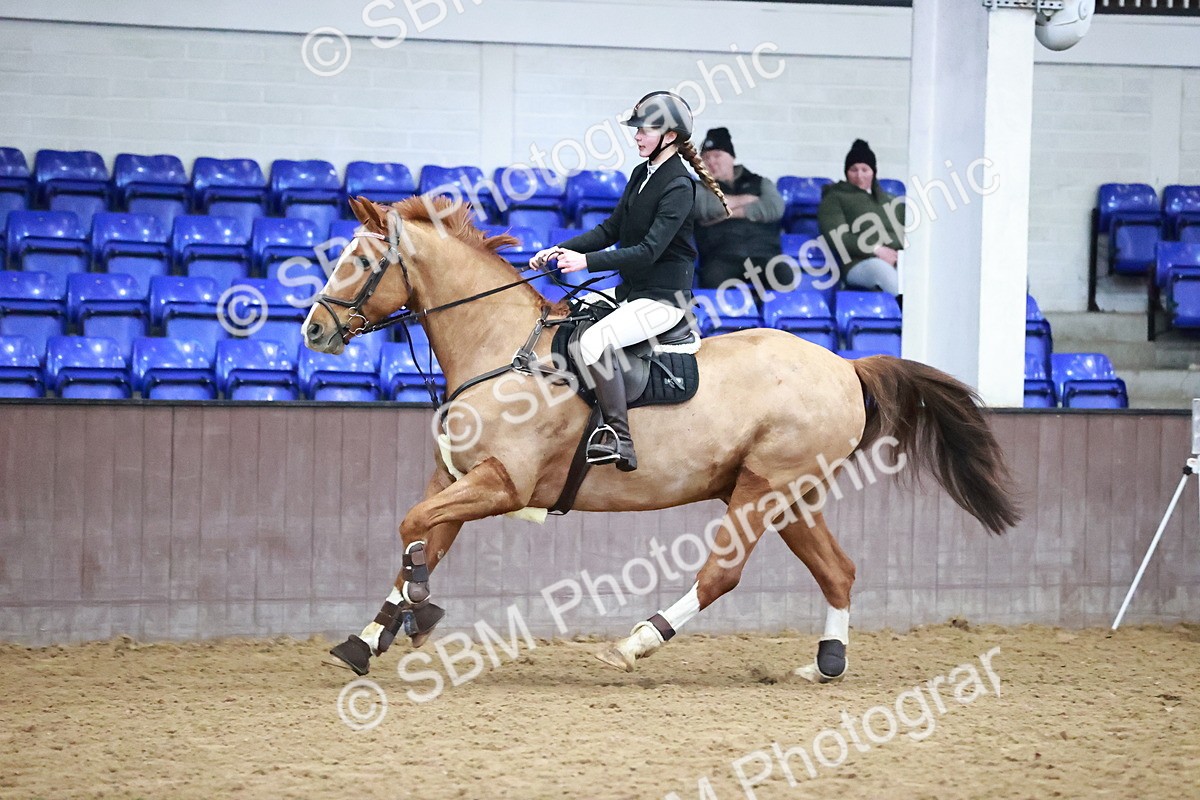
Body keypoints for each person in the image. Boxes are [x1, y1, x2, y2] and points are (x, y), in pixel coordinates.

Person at [529, 91, 729, 472]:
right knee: (569, 316)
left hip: (663, 301)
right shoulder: (643, 174)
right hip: (631, 293)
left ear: (669, 136)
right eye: (636, 130)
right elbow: (611, 229)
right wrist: (559, 248)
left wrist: (584, 261)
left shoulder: (679, 186)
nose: (636, 136)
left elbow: (648, 250)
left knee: (595, 341)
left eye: (644, 130)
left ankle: (619, 436)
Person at [692, 127, 786, 302]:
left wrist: (727, 213)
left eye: (717, 155)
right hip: (721, 257)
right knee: (713, 280)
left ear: (731, 157)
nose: (711, 162)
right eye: (706, 158)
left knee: (785, 274)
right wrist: (748, 200)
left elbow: (775, 207)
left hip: (765, 255)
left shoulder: (759, 182)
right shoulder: (698, 187)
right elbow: (703, 206)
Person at [817, 139, 904, 295]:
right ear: (846, 172)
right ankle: (908, 313)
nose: (859, 175)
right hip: (858, 263)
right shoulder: (834, 198)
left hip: (898, 260)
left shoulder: (890, 200)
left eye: (865, 169)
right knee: (881, 270)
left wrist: (895, 253)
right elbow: (837, 237)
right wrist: (877, 249)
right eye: (854, 170)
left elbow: (908, 233)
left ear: (874, 172)